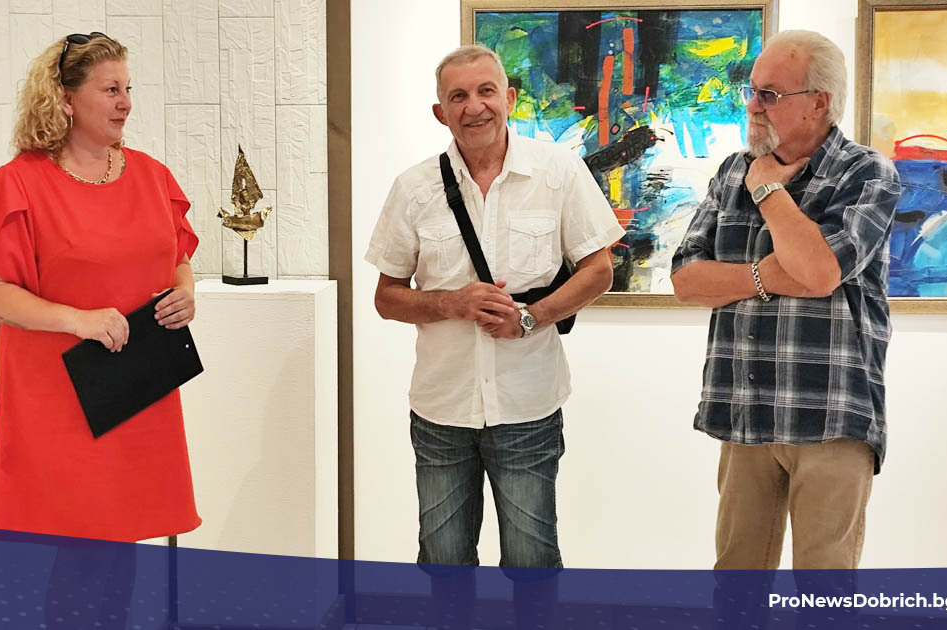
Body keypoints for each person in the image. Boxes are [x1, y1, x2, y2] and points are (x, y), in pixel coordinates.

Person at [365, 44, 624, 629]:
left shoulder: (558, 172)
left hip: (528, 405)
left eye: (486, 91)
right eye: (458, 96)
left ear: (508, 98)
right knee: (444, 562)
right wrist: (450, 302)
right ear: (441, 112)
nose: (474, 106)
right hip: (441, 409)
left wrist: (530, 318)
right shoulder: (414, 187)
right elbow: (386, 297)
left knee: (533, 562)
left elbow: (598, 270)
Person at [670, 29, 900, 628]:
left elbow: (821, 272)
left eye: (769, 93)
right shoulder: (731, 171)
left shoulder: (866, 173)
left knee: (824, 592)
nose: (753, 105)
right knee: (735, 586)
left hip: (829, 414)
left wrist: (768, 189)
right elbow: (687, 280)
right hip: (744, 411)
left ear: (818, 101)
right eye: (752, 91)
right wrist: (767, 274)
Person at [0, 32, 202, 543]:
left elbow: (176, 255)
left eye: (128, 88)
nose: (126, 103)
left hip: (139, 391)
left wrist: (185, 290)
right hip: (59, 401)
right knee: (73, 552)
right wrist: (79, 320)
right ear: (66, 100)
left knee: (123, 545)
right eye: (111, 90)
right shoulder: (19, 183)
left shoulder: (152, 176)